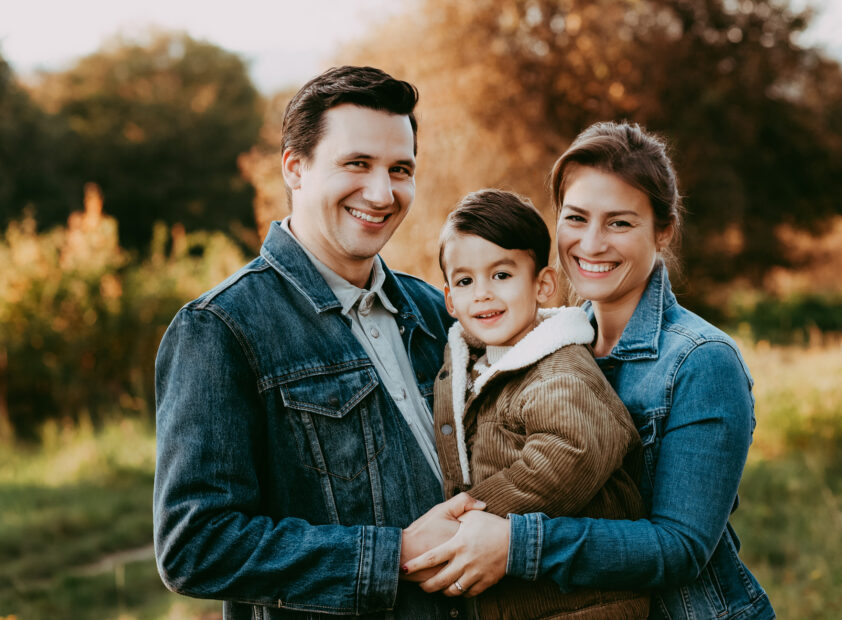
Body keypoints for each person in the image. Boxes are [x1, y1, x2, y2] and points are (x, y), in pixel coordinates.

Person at [402, 122, 777, 620]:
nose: (592, 244)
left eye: (619, 223)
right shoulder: (540, 343)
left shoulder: (701, 360)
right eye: (576, 218)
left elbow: (681, 547)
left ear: (663, 231)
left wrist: (515, 542)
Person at [153, 65, 480, 619]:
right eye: (356, 163)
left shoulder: (434, 310)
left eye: (400, 169)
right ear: (295, 169)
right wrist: (391, 556)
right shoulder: (221, 328)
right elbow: (195, 545)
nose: (382, 193)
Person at [432, 189, 649, 619]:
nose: (483, 294)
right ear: (449, 300)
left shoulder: (560, 369)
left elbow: (570, 454)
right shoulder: (471, 368)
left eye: (501, 275)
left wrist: (464, 517)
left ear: (543, 284)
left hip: (585, 606)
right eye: (465, 281)